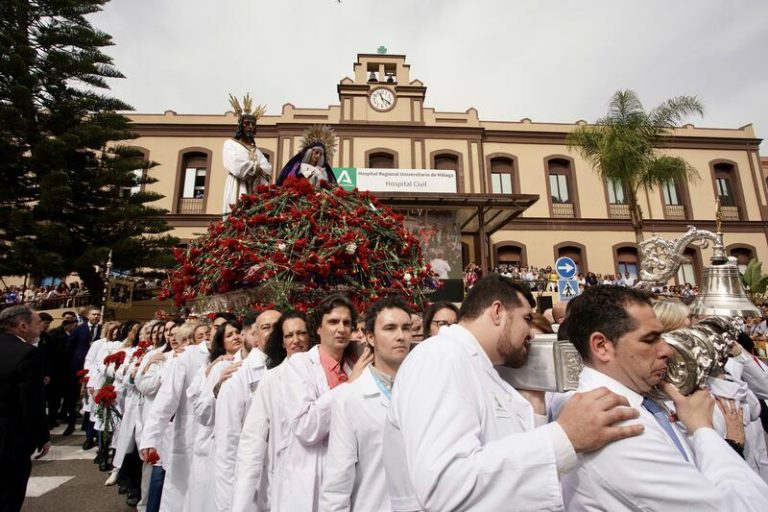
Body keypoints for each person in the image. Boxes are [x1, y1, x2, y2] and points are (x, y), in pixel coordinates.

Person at [383, 274, 645, 511]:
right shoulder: (440, 357)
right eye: (526, 319)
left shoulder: (479, 363)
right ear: (498, 312)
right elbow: (446, 485)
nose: (530, 334)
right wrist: (565, 436)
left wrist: (536, 410)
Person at [560, 285, 768, 511]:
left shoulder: (643, 397)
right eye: (650, 339)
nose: (667, 350)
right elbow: (742, 507)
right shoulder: (614, 424)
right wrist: (703, 430)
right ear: (602, 346)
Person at [279, 294, 371, 511]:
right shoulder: (299, 365)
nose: (341, 329)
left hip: (348, 477)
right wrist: (349, 385)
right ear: (318, 328)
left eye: (347, 323)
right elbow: (306, 426)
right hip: (311, 478)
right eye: (333, 322)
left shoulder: (353, 366)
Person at [321, 296, 413, 511]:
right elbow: (336, 485)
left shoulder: (426, 391)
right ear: (370, 337)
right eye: (390, 328)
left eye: (406, 328)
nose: (400, 336)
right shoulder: (350, 398)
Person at [233, 311, 311, 512]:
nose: (296, 340)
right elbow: (252, 440)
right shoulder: (271, 379)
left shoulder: (325, 371)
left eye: (301, 333)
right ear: (282, 342)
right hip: (284, 482)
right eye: (288, 335)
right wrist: (240, 504)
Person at [214, 310, 280, 511]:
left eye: (278, 327)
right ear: (254, 336)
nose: (272, 333)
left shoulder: (295, 369)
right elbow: (227, 446)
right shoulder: (237, 376)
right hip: (253, 487)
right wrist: (227, 504)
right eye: (266, 328)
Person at [0, 305, 50, 512]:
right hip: (10, 438)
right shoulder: (28, 354)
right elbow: (31, 402)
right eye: (38, 323)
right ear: (23, 326)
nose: (41, 328)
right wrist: (42, 436)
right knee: (9, 495)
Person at [222, 94, 272, 215]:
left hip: (255, 191)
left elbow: (267, 168)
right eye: (247, 124)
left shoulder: (257, 151)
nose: (250, 127)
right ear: (240, 125)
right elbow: (235, 165)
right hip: (238, 185)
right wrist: (256, 168)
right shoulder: (230, 144)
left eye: (252, 124)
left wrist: (255, 167)